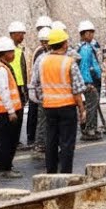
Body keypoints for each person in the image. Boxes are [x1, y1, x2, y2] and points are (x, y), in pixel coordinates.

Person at [32, 28, 86, 174]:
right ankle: (66, 174)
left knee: (51, 141)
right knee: (67, 143)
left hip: (49, 107)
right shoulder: (69, 62)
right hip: (67, 107)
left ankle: (51, 173)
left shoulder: (42, 61)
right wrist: (82, 109)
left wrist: (44, 99)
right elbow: (77, 89)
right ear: (64, 44)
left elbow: (36, 84)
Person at [0, 37, 24, 179]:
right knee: (6, 140)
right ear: (5, 53)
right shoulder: (1, 69)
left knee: (8, 140)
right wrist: (11, 111)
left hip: (5, 110)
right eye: (11, 52)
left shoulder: (3, 67)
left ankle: (6, 165)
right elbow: (4, 90)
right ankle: (4, 168)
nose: (13, 54)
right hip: (4, 111)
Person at [26, 16, 52, 149]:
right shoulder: (40, 54)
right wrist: (32, 91)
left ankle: (44, 141)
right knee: (41, 119)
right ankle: (40, 142)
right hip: (43, 94)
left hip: (49, 94)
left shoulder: (49, 55)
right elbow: (35, 76)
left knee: (47, 120)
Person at [76, 20, 104, 141]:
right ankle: (89, 129)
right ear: (84, 34)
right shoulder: (85, 49)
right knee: (91, 105)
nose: (92, 35)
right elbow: (85, 67)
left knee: (93, 104)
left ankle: (92, 127)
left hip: (92, 80)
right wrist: (88, 83)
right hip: (90, 82)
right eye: (90, 32)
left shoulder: (88, 46)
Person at [5, 22, 29, 148]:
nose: (22, 37)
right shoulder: (10, 51)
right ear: (13, 34)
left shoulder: (18, 50)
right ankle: (14, 141)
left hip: (19, 86)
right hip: (14, 86)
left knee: (18, 115)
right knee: (15, 115)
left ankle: (15, 140)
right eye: (20, 34)